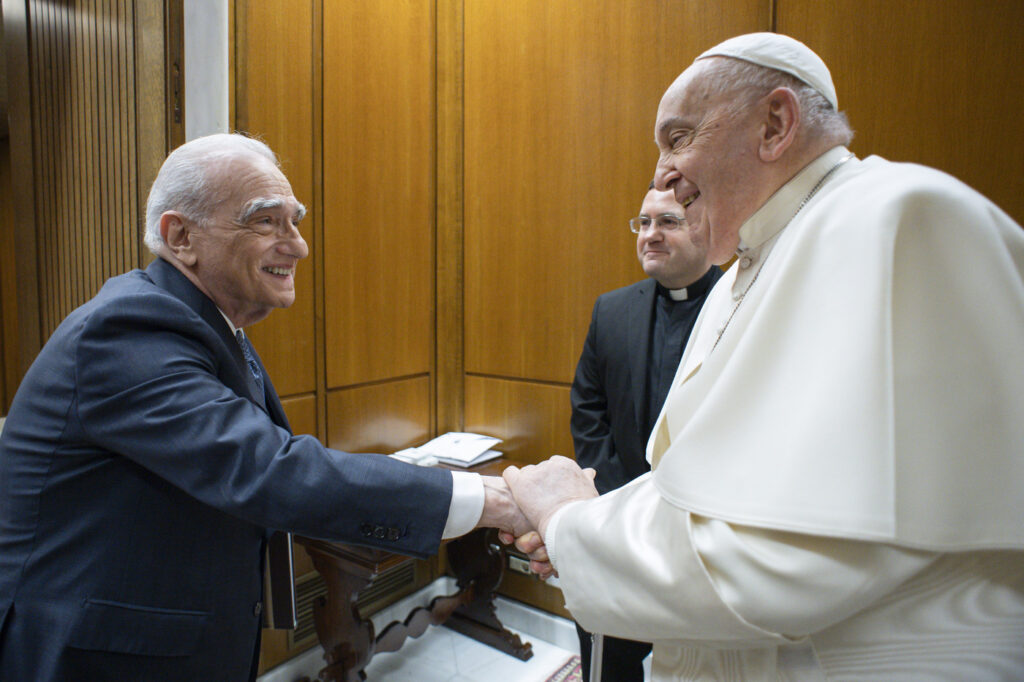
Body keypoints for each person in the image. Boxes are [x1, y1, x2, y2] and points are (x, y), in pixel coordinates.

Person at [503, 33, 1024, 679]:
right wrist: (590, 526)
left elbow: (784, 559)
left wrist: (568, 523)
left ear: (775, 124)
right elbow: (704, 493)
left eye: (678, 137)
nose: (662, 174)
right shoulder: (752, 262)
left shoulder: (894, 218)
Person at [0, 133, 528, 681]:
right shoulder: (128, 328)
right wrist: (494, 500)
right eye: (266, 222)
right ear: (180, 236)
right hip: (93, 655)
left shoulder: (208, 322)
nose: (297, 245)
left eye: (295, 221)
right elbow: (267, 469)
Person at [570, 185, 719, 680]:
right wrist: (621, 501)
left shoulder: (743, 306)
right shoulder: (611, 310)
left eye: (668, 222)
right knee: (611, 655)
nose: (650, 235)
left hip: (708, 533)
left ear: (704, 225)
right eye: (642, 222)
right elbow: (588, 410)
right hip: (619, 519)